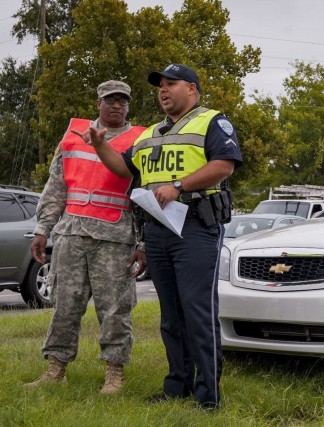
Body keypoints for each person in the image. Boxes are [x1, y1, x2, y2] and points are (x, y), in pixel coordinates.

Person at [81, 64, 243, 410]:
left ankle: (208, 396)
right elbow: (126, 169)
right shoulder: (150, 133)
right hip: (157, 231)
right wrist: (99, 145)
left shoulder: (212, 121)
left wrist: (179, 186)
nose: (164, 91)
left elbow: (224, 164)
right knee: (170, 316)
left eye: (172, 84)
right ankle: (177, 385)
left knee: (197, 311)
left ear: (193, 90)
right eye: (160, 87)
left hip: (196, 227)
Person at [26, 80, 147, 394]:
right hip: (71, 235)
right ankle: (55, 370)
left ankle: (114, 374)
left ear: (129, 105)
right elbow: (56, 188)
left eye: (122, 100)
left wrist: (143, 242)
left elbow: (146, 196)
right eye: (110, 100)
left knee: (116, 310)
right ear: (98, 103)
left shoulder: (142, 140)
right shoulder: (73, 136)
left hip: (116, 239)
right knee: (65, 306)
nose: (116, 105)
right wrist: (42, 229)